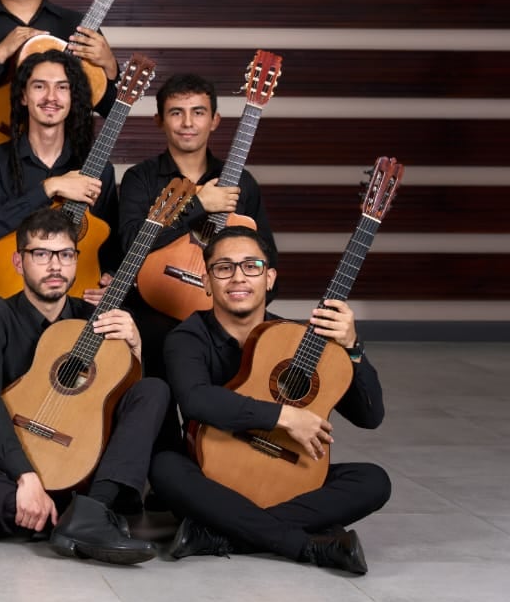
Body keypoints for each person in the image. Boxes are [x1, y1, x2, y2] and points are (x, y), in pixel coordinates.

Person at [0, 206, 166, 565]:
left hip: (81, 473)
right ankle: (59, 520)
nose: (55, 266)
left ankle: (89, 513)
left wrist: (135, 350)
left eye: (66, 255)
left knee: (154, 389)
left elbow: (121, 403)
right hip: (9, 478)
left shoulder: (95, 321)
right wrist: (26, 477)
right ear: (19, 263)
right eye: (41, 254)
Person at [150, 226, 387, 575]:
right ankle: (306, 546)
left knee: (374, 480)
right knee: (165, 468)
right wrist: (286, 417)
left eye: (251, 266)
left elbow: (371, 415)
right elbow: (197, 400)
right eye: (224, 267)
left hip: (287, 477)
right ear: (206, 282)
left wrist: (353, 349)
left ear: (270, 277)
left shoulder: (296, 342)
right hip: (214, 477)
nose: (238, 277)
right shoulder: (187, 337)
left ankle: (221, 533)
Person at [119, 73, 274, 377]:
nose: (188, 123)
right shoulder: (140, 178)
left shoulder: (242, 183)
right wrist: (199, 205)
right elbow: (130, 244)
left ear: (214, 120)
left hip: (219, 316)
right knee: (153, 396)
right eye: (176, 113)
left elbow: (268, 260)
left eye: (198, 112)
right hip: (155, 308)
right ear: (159, 120)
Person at [0, 49, 120, 304]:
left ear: (73, 97)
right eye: (40, 86)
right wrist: (48, 188)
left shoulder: (99, 169)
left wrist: (112, 279)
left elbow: (111, 246)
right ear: (24, 96)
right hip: (8, 299)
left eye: (62, 87)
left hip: (77, 298)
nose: (51, 97)